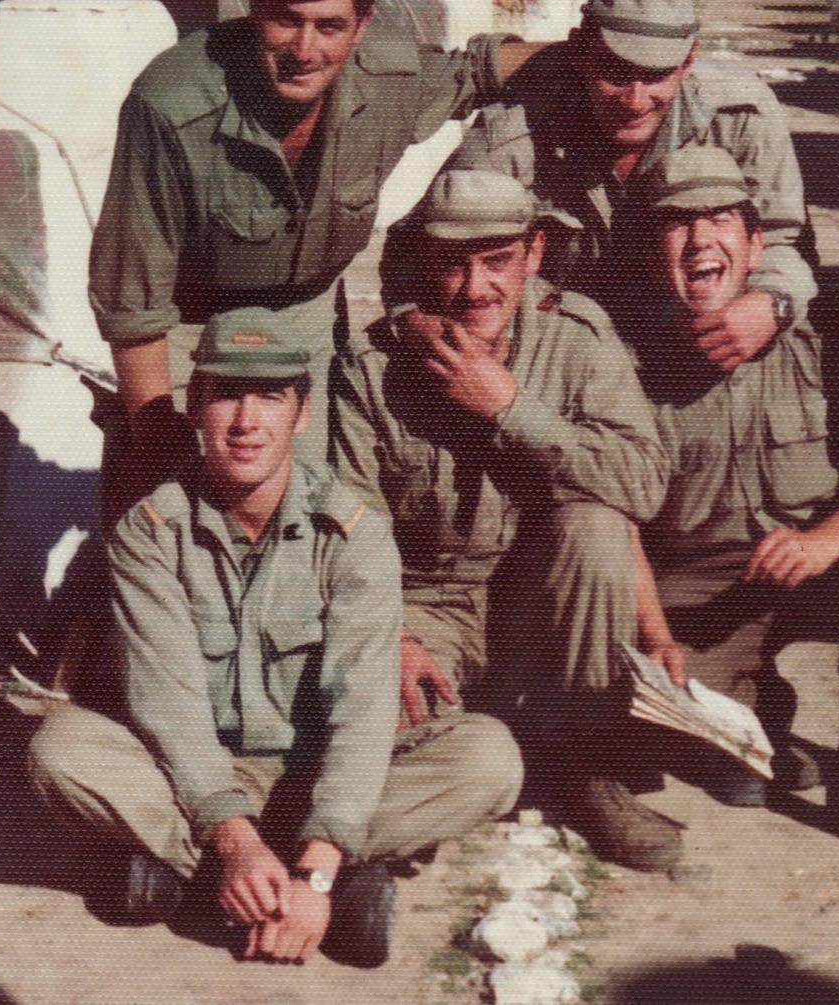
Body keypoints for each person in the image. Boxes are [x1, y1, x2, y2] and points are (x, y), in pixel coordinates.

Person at [26, 309, 524, 968]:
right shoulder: (150, 532)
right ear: (195, 407)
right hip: (196, 768)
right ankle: (298, 882)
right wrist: (234, 837)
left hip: (311, 772)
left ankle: (223, 876)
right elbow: (168, 706)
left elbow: (361, 711)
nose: (246, 420)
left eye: (270, 396)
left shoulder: (352, 535)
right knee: (60, 749)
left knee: (488, 758)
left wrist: (317, 863)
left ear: (303, 412)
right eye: (226, 394)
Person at [89, 0, 547, 485]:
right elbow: (131, 297)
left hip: (306, 314)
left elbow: (478, 70)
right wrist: (155, 428)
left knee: (305, 494)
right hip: (189, 323)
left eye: (330, 26)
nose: (305, 49)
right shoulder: (173, 103)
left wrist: (594, 54)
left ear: (361, 26)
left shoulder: (389, 79)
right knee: (173, 491)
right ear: (255, 8)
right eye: (286, 20)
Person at [330, 169, 681, 872]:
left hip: (538, 601)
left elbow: (643, 483)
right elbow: (345, 524)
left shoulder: (576, 337)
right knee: (383, 726)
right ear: (424, 262)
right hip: (426, 605)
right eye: (453, 264)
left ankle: (586, 768)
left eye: (497, 260)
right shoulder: (374, 365)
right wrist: (393, 636)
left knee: (595, 526)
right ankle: (425, 791)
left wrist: (511, 409)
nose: (476, 287)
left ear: (534, 253)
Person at [620, 146, 839, 864]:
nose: (700, 241)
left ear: (755, 246)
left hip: (811, 571)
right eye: (677, 225)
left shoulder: (816, 336)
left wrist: (823, 542)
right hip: (696, 596)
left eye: (720, 220)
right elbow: (612, 524)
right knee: (629, 708)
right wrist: (655, 634)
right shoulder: (622, 359)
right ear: (651, 257)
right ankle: (750, 715)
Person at [446, 0, 813, 371]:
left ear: (689, 60)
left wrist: (772, 303)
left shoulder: (741, 119)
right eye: (616, 73)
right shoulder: (512, 136)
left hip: (697, 343)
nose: (635, 101)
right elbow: (425, 254)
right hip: (558, 353)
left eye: (656, 76)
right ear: (580, 52)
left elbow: (781, 239)